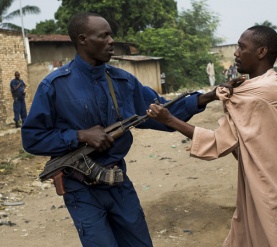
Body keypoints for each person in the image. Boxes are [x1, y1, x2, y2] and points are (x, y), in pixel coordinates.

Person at [21, 12, 219, 247]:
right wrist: (80, 136)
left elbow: (160, 111)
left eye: (111, 35)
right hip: (80, 188)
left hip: (117, 181)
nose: (111, 41)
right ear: (83, 39)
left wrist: (207, 97)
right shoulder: (54, 86)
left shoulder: (123, 81)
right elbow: (32, 138)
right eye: (103, 36)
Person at [146, 26, 277, 246]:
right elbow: (237, 141)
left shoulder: (262, 92)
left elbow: (218, 142)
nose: (236, 53)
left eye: (242, 47)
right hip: (263, 189)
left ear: (261, 52)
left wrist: (169, 120)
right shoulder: (266, 85)